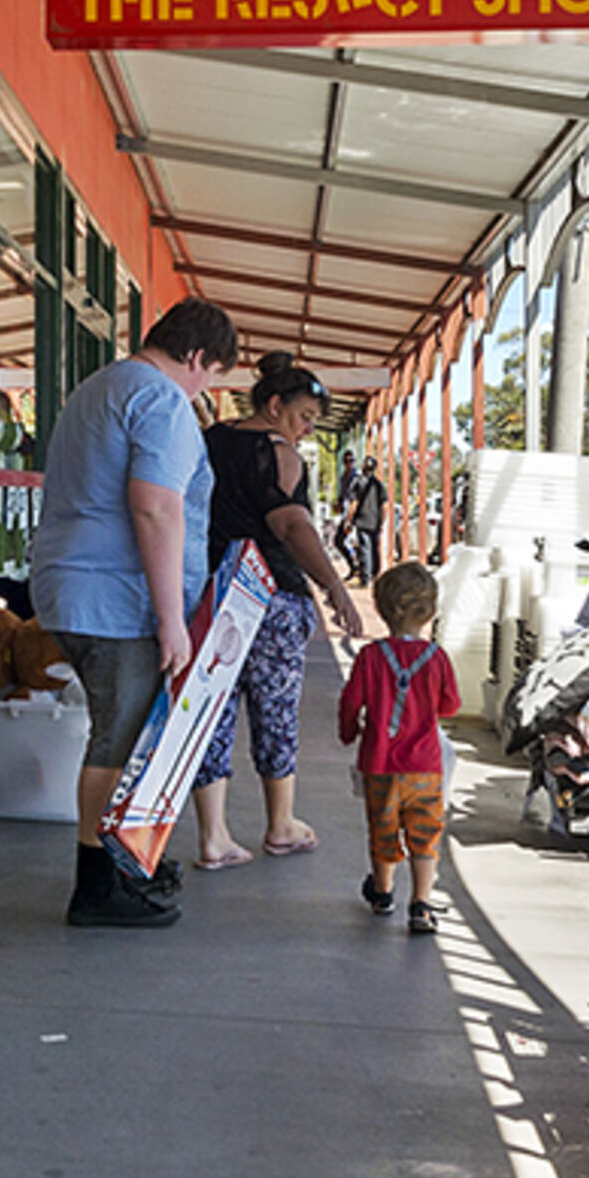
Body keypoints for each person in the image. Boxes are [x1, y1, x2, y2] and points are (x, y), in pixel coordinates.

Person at [29, 296, 240, 928]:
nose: (205, 391)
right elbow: (156, 507)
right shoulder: (162, 400)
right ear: (197, 357)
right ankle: (97, 888)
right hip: (116, 601)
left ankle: (122, 867)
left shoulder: (101, 386)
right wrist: (172, 616)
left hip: (73, 586)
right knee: (117, 744)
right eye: (210, 376)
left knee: (118, 738)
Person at [186, 354, 363, 869]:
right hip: (271, 595)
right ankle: (280, 824)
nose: (308, 429)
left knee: (213, 709)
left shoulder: (211, 439)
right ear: (274, 405)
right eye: (304, 415)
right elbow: (290, 526)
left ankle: (213, 837)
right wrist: (334, 586)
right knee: (276, 709)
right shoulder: (279, 453)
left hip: (214, 590)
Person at [338, 560, 460, 935]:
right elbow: (451, 705)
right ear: (432, 612)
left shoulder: (370, 657)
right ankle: (421, 904)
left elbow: (350, 702)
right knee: (425, 833)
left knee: (384, 828)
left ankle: (383, 892)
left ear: (380, 608)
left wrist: (348, 732)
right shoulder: (436, 657)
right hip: (425, 764)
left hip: (379, 762)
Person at [345, 452, 386, 583]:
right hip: (374, 521)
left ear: (363, 467)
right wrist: (381, 521)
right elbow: (384, 505)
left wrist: (348, 520)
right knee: (374, 548)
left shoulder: (358, 482)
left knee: (365, 549)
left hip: (362, 520)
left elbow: (354, 503)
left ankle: (366, 577)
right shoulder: (378, 484)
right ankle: (375, 573)